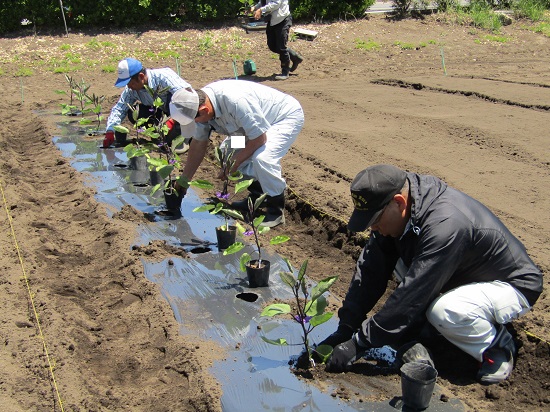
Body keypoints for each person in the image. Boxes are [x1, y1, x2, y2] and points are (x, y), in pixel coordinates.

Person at [319, 164, 542, 384]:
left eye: (375, 220)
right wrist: (347, 328)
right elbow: (370, 270)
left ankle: (496, 346)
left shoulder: (445, 225)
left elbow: (413, 293)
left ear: (399, 202)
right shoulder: (403, 209)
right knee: (393, 260)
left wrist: (359, 344)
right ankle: (428, 335)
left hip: (509, 285)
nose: (373, 228)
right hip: (457, 274)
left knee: (444, 311)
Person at [168, 79, 304, 228]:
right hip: (249, 130)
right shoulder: (198, 108)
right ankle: (257, 197)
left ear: (204, 111)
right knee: (226, 151)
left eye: (196, 120)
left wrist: (236, 162)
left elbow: (259, 139)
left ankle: (275, 210)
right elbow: (198, 144)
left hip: (281, 119)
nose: (197, 123)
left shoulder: (236, 102)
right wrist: (185, 179)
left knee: (263, 158)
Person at [103, 57, 192, 149]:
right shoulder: (131, 90)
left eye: (131, 83)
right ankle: (159, 135)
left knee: (177, 99)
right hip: (162, 113)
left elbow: (188, 97)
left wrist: (172, 120)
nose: (129, 87)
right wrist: (110, 130)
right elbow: (120, 108)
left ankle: (185, 137)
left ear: (141, 76)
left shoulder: (163, 77)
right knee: (134, 113)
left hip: (184, 114)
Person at [250, 0, 303, 80]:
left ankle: (285, 71)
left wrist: (261, 10)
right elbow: (264, 1)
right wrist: (255, 7)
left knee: (281, 46)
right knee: (272, 46)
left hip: (283, 20)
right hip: (272, 21)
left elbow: (276, 4)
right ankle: (294, 57)